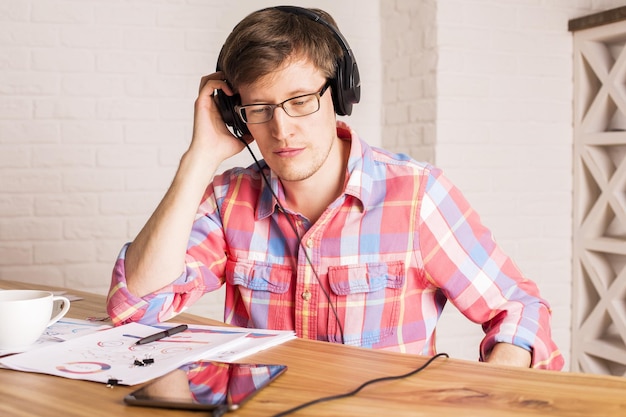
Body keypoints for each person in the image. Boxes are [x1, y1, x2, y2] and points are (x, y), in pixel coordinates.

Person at [106, 5, 564, 370]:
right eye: (259, 108)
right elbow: (136, 305)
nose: (281, 130)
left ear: (341, 94)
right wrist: (198, 158)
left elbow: (519, 310)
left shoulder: (417, 196)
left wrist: (487, 389)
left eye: (300, 101)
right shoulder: (228, 202)